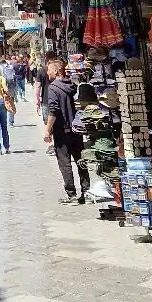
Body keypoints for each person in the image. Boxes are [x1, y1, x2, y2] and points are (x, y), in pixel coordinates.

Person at [44, 58, 90, 204]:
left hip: (62, 131)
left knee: (65, 163)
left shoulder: (53, 88)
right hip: (77, 129)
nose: (47, 72)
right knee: (80, 160)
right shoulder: (72, 85)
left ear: (57, 71)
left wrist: (47, 130)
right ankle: (86, 191)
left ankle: (72, 194)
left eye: (49, 69)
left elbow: (53, 111)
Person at [1, 57, 18, 124]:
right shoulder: (11, 67)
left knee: (3, 104)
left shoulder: (0, 68)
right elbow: (14, 78)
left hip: (2, 88)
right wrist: (16, 92)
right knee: (11, 103)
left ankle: (4, 120)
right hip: (11, 88)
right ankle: (11, 121)